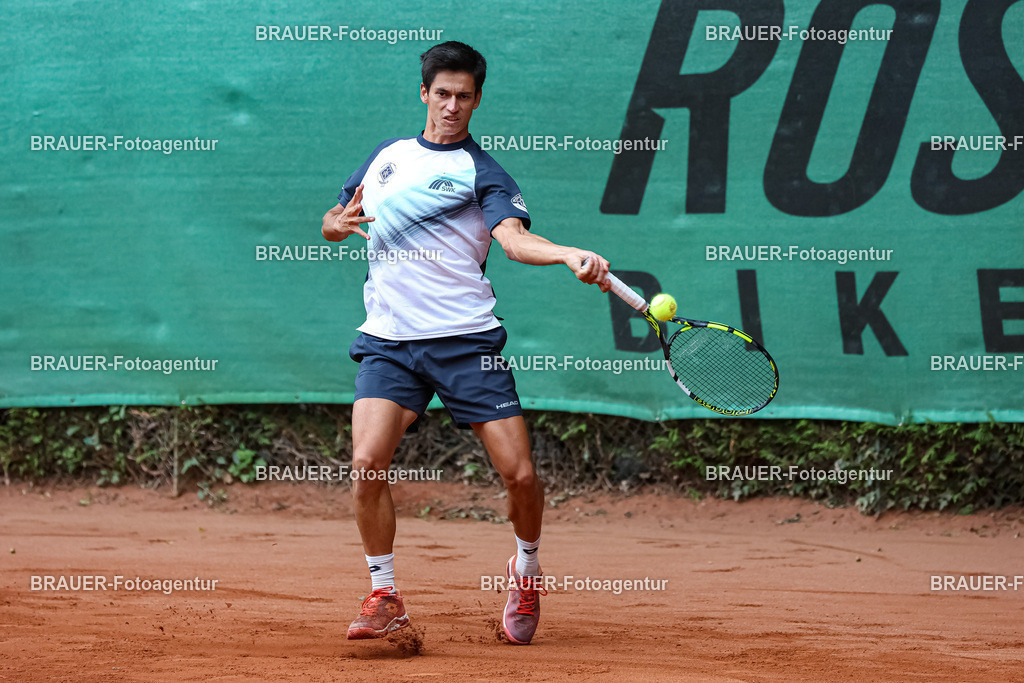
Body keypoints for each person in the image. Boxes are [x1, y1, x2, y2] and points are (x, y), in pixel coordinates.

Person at [321, 40, 611, 645]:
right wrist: (334, 224)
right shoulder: (387, 157)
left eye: (465, 96)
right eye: (443, 94)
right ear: (424, 93)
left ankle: (526, 569)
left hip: (464, 343)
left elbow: (512, 240)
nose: (452, 106)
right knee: (367, 462)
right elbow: (336, 216)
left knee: (521, 475)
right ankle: (384, 596)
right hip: (390, 343)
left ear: (478, 101)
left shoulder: (485, 173)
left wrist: (564, 254)